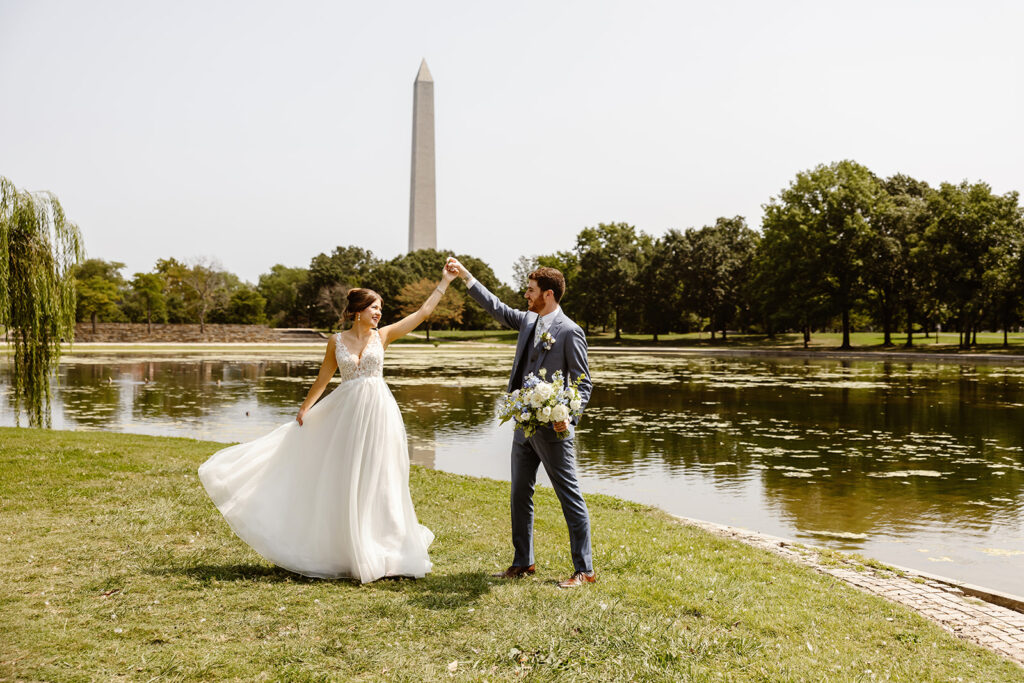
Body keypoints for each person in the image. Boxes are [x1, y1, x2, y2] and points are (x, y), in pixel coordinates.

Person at [197, 264, 458, 583]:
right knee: (348, 476)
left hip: (379, 413)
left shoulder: (384, 336)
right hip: (347, 414)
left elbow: (421, 314)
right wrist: (305, 408)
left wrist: (445, 282)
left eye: (380, 309)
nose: (379, 313)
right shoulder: (336, 342)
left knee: (382, 476)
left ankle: (387, 550)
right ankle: (348, 550)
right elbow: (324, 377)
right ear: (359, 311)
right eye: (375, 308)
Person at [446, 257, 596, 588]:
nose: (526, 295)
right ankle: (522, 562)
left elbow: (583, 384)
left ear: (549, 294)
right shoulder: (528, 321)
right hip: (523, 425)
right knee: (519, 494)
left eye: (531, 290)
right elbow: (496, 307)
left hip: (554, 429)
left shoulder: (570, 332)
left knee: (568, 495)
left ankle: (584, 570)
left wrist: (568, 417)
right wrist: (466, 277)